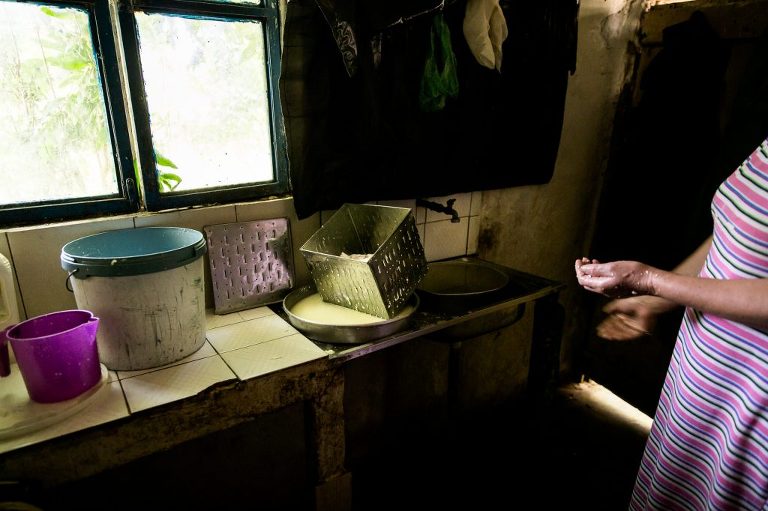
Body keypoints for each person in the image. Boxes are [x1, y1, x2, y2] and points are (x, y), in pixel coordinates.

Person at [575, 134, 768, 510]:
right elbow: (734, 233)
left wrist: (649, 280)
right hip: (703, 374)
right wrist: (657, 300)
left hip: (750, 395)